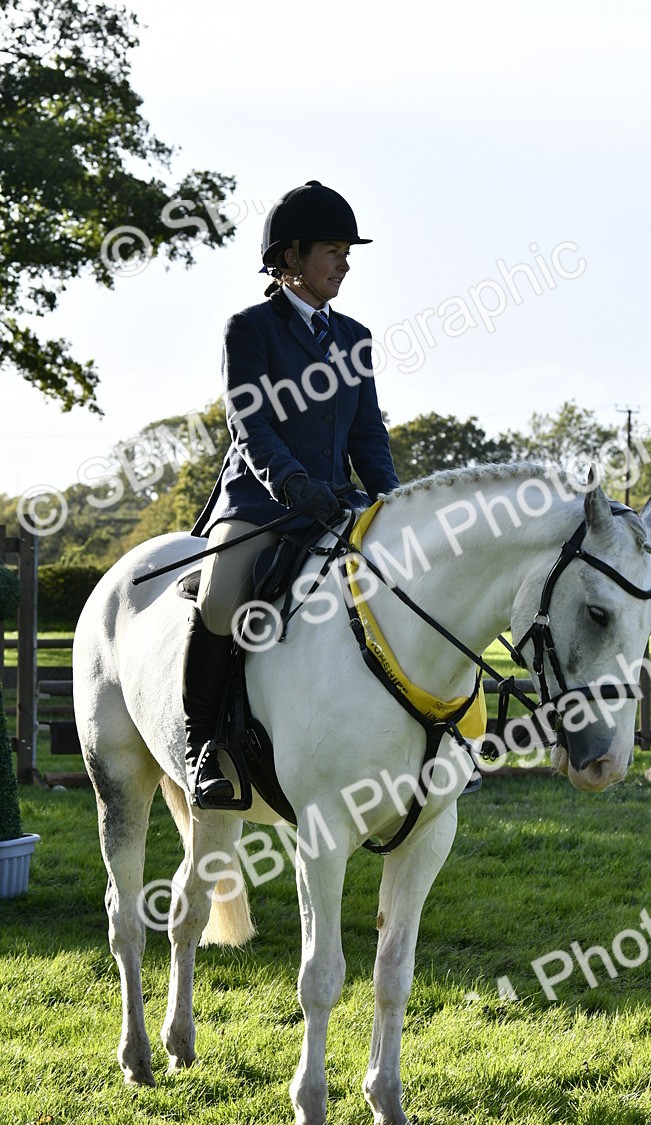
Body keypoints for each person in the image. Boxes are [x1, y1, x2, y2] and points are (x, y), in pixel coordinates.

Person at [184, 181, 400, 808]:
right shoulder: (249, 330)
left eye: (346, 251)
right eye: (333, 250)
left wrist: (392, 499)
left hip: (337, 506)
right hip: (260, 504)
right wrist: (291, 482)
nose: (345, 262)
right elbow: (249, 423)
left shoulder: (354, 337)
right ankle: (208, 749)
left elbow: (368, 433)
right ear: (291, 259)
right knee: (223, 602)